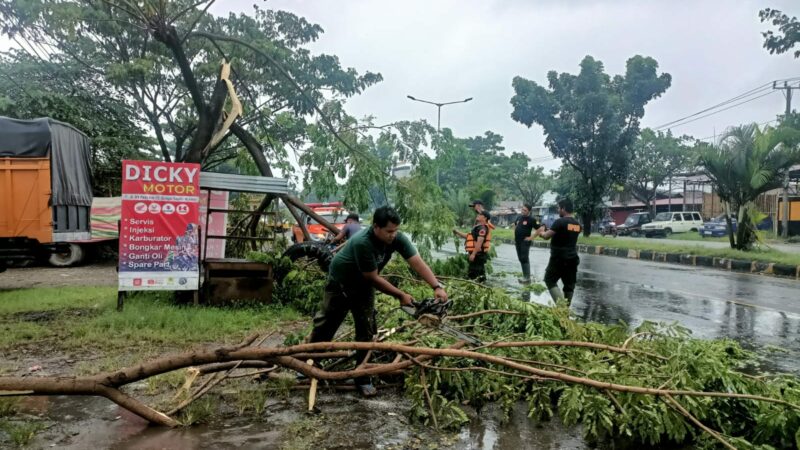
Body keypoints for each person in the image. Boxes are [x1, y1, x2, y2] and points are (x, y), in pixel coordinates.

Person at [309, 206, 448, 397]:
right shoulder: (362, 242)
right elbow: (373, 277)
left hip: (363, 285)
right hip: (341, 282)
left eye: (396, 230)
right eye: (389, 231)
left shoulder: (396, 238)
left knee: (366, 328)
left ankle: (362, 375)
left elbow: (416, 261)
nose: (393, 235)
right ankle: (309, 362)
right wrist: (400, 295)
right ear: (376, 227)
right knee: (327, 323)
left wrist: (436, 286)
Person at [535, 198, 582, 305]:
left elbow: (547, 236)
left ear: (563, 208)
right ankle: (566, 311)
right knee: (569, 285)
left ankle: (562, 309)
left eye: (558, 208)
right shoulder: (577, 224)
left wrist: (541, 232)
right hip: (572, 258)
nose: (558, 210)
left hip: (558, 258)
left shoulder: (560, 222)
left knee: (549, 280)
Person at [453, 211, 491, 281]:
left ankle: (474, 286)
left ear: (485, 218)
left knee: (473, 274)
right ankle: (482, 286)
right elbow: (468, 236)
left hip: (478, 255)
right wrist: (457, 232)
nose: (478, 215)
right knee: (480, 274)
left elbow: (479, 242)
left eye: (480, 215)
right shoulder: (477, 227)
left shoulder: (482, 228)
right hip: (478, 255)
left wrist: (473, 254)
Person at [512, 204, 544, 284]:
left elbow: (540, 229)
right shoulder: (519, 217)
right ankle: (525, 276)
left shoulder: (532, 219)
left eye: (525, 210)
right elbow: (515, 225)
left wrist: (531, 237)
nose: (523, 211)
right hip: (518, 241)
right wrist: (515, 233)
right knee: (520, 258)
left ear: (529, 211)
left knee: (524, 258)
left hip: (525, 241)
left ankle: (527, 278)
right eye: (522, 209)